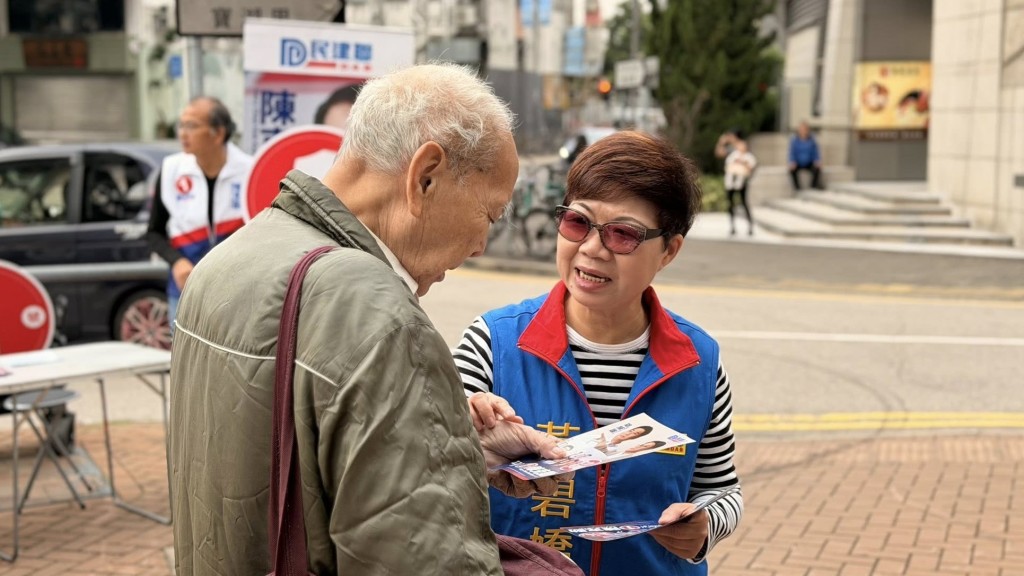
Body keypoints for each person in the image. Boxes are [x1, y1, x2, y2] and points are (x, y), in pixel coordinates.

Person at [168, 63, 575, 575]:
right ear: (425, 175)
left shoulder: (225, 260)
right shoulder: (380, 314)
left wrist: (449, 443)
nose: (481, 245)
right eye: (490, 214)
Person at [454, 131, 744, 575]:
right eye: (577, 222)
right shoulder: (492, 342)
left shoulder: (699, 361)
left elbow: (721, 488)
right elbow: (427, 461)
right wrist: (468, 426)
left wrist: (705, 526)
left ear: (669, 250)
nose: (591, 248)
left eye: (623, 234)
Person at [145, 96, 253, 330]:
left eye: (192, 126)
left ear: (218, 133)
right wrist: (177, 262)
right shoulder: (172, 170)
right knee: (185, 363)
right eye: (181, 125)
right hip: (186, 289)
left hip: (237, 292)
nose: (183, 133)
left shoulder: (249, 171)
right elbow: (153, 233)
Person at [724, 137, 757, 236]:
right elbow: (728, 166)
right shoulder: (733, 156)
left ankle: (750, 226)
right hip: (730, 183)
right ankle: (732, 226)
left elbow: (751, 168)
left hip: (742, 183)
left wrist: (742, 162)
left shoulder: (749, 157)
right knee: (731, 204)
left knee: (744, 203)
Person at [788, 121, 823, 191]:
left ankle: (813, 187)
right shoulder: (795, 141)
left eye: (805, 129)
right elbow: (792, 153)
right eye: (801, 129)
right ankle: (797, 189)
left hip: (809, 162)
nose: (803, 131)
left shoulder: (812, 140)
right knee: (791, 171)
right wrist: (792, 161)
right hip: (798, 163)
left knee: (817, 169)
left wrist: (817, 160)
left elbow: (815, 152)